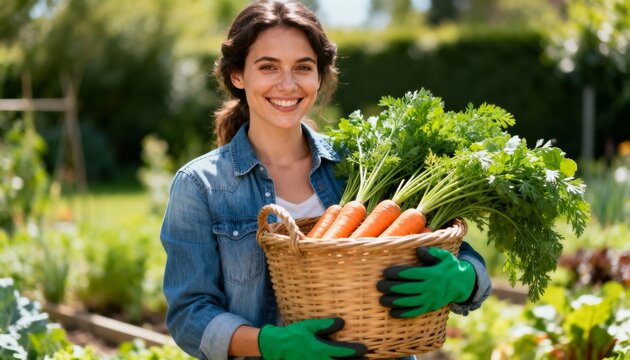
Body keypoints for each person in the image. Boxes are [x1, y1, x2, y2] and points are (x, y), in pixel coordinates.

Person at [160, 1, 492, 359]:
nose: (288, 84)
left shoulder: (364, 163)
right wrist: (271, 344)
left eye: (303, 67)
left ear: (319, 76)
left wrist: (463, 279)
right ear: (238, 75)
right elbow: (189, 314)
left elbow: (461, 258)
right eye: (268, 66)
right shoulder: (201, 185)